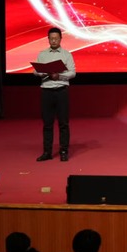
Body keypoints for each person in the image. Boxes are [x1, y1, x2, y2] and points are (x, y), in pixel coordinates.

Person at [33, 27, 76, 162]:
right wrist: (43, 72)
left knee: (63, 123)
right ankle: (47, 152)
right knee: (47, 123)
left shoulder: (66, 54)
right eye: (51, 38)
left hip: (61, 90)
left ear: (60, 39)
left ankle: (64, 151)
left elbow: (73, 73)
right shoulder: (42, 54)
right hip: (46, 91)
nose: (54, 41)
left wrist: (60, 76)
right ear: (48, 39)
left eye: (56, 38)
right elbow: (35, 71)